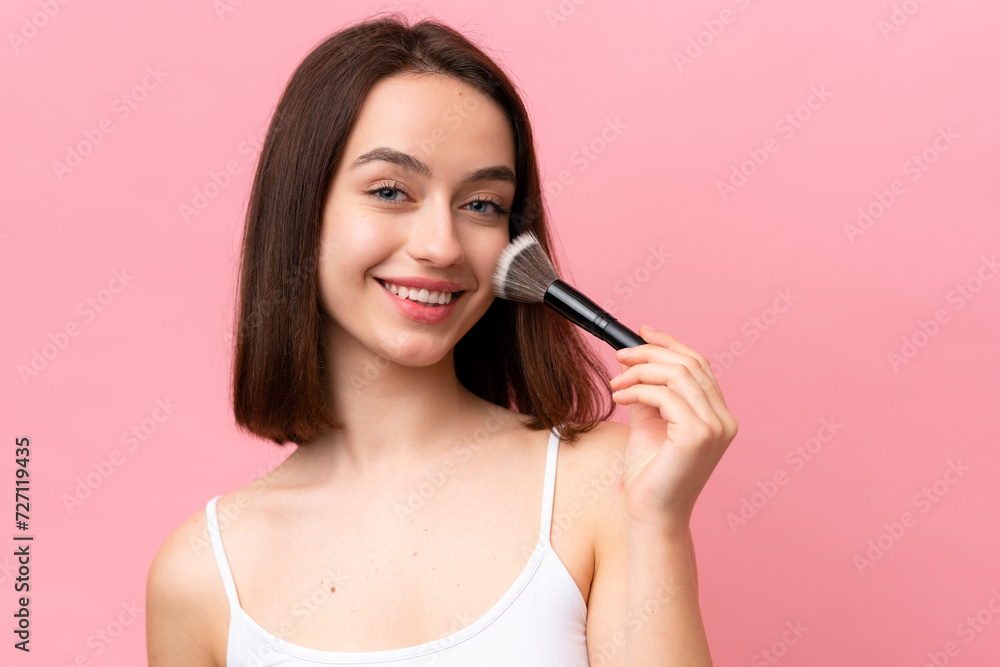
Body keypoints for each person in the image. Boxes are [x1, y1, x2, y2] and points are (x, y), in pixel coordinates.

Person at [146, 14, 737, 666]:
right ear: (302, 211)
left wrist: (657, 522)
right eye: (392, 190)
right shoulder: (202, 574)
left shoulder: (609, 483)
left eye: (482, 203)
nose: (441, 246)